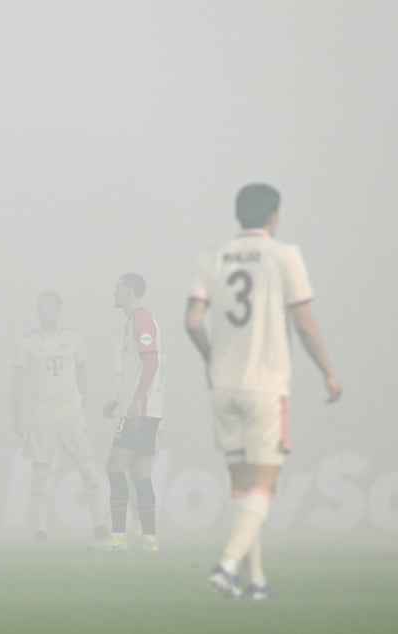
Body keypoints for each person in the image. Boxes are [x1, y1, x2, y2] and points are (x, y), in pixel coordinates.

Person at [185, 183, 342, 599]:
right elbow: (304, 323)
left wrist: (210, 357)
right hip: (265, 386)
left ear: (239, 216)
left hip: (223, 386)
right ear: (274, 217)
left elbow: (192, 319)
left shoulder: (212, 257)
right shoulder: (283, 255)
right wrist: (328, 371)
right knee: (264, 485)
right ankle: (226, 566)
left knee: (242, 486)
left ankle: (255, 580)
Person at [12, 291, 110, 546]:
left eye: (49, 307)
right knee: (41, 473)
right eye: (41, 307)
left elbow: (82, 373)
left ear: (58, 310)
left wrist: (82, 401)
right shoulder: (26, 342)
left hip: (69, 410)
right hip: (41, 412)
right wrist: (17, 413)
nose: (45, 312)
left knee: (87, 468)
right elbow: (18, 381)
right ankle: (40, 529)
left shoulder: (75, 338)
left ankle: (100, 524)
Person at [102, 274, 166, 552]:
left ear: (128, 291)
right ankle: (149, 539)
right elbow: (136, 369)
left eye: (117, 287)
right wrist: (117, 401)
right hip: (146, 407)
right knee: (140, 471)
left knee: (115, 467)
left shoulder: (141, 318)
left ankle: (118, 536)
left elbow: (151, 360)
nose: (113, 292)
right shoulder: (133, 321)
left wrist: (138, 400)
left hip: (142, 408)